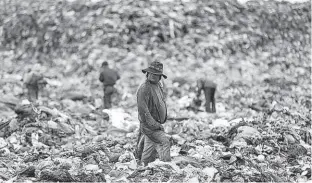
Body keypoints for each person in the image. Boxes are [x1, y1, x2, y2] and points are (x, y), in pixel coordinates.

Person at [135, 61, 171, 165]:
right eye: (152, 74)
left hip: (153, 124)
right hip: (149, 124)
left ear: (160, 77)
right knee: (165, 142)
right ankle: (166, 166)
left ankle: (143, 164)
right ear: (147, 74)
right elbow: (144, 111)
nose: (154, 76)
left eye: (157, 75)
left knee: (149, 146)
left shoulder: (157, 86)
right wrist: (156, 125)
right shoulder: (144, 88)